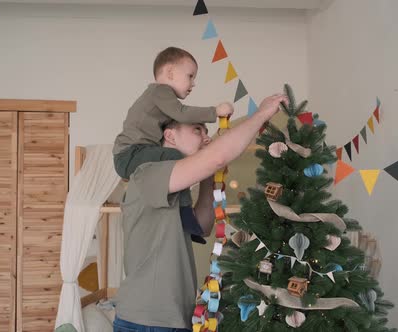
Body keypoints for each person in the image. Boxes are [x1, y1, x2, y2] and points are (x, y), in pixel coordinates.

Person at [113, 93, 289, 332]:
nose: (206, 138)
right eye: (198, 130)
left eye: (207, 132)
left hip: (179, 318)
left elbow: (203, 226)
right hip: (146, 321)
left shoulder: (177, 185)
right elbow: (217, 156)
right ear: (170, 135)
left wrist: (208, 176)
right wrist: (261, 115)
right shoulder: (148, 173)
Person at [113, 47, 233, 242]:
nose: (193, 83)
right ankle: (186, 215)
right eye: (190, 76)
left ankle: (184, 215)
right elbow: (182, 113)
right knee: (176, 159)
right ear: (170, 72)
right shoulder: (161, 91)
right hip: (130, 154)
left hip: (135, 153)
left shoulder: (159, 101)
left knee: (174, 162)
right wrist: (215, 112)